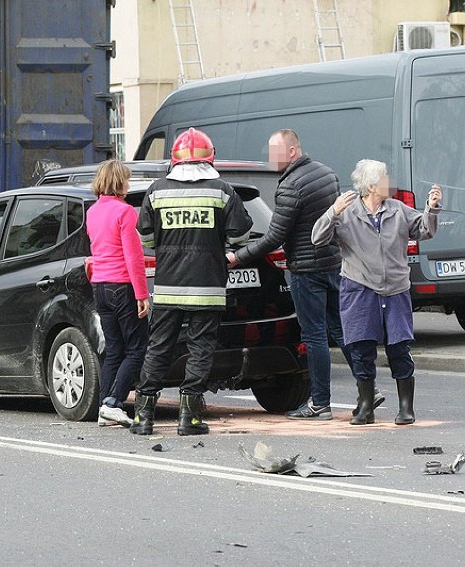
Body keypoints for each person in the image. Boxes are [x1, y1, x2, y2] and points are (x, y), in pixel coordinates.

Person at [226, 129, 365, 421]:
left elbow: (275, 236)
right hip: (332, 264)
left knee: (314, 336)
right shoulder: (327, 174)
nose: (271, 158)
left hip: (306, 269)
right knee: (341, 330)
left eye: (276, 152)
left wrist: (238, 256)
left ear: (292, 151)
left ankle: (320, 404)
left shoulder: (291, 185)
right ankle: (367, 391)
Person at [131, 128, 253, 436]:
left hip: (169, 285)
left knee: (159, 347)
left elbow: (144, 236)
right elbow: (241, 234)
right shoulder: (222, 190)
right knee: (200, 348)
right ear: (211, 157)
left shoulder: (157, 190)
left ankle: (143, 417)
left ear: (174, 159)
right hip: (207, 285)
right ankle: (190, 418)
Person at [312, 159, 441, 425]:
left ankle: (406, 408)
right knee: (361, 348)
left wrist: (432, 208)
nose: (389, 182)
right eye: (384, 178)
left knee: (399, 348)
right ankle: (366, 406)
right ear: (371, 186)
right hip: (359, 288)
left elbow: (424, 229)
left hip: (395, 289)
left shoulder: (397, 209)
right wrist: (332, 213)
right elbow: (318, 238)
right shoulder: (346, 212)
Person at [86, 160, 150, 427]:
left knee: (113, 349)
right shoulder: (125, 212)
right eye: (126, 179)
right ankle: (114, 402)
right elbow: (133, 257)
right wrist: (142, 294)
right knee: (137, 349)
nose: (129, 184)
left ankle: (104, 406)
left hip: (100, 287)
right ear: (118, 183)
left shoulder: (92, 212)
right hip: (122, 286)